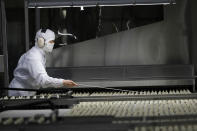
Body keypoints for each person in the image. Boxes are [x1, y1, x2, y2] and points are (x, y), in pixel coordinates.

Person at [9, 29, 77, 96]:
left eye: (53, 41)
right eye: (51, 41)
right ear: (41, 42)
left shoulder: (39, 54)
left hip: (27, 92)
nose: (53, 44)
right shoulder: (33, 57)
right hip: (19, 93)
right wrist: (63, 82)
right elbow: (43, 80)